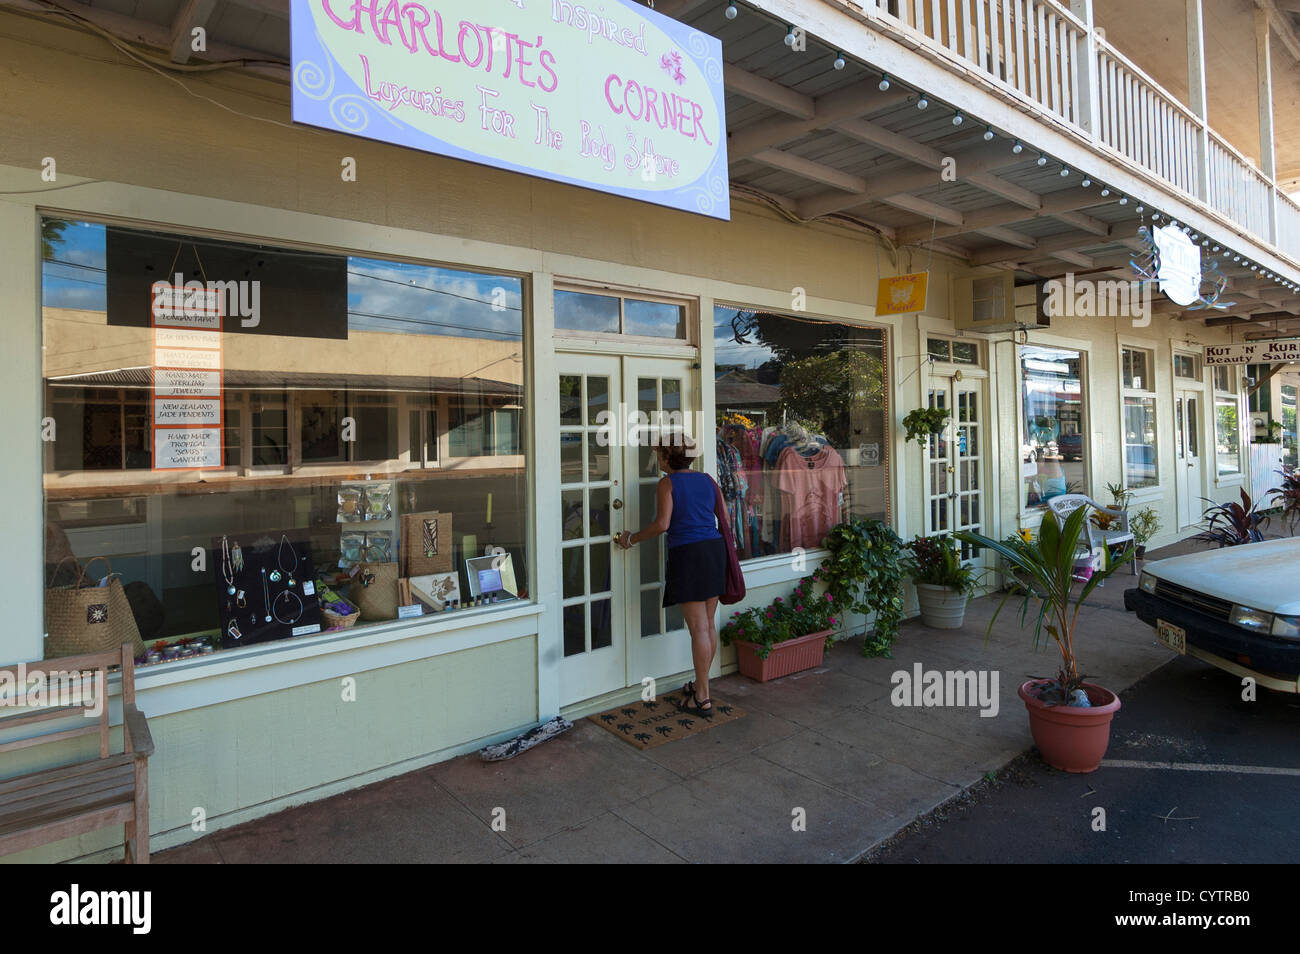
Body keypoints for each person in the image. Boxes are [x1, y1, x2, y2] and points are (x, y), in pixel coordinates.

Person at [615, 432, 727, 717]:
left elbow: (663, 524)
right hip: (714, 550)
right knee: (709, 625)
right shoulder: (708, 480)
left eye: (659, 454)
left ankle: (702, 698)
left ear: (667, 457)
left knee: (699, 629)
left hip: (689, 554)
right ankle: (702, 687)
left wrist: (632, 538)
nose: (657, 458)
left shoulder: (668, 483)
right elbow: (722, 518)